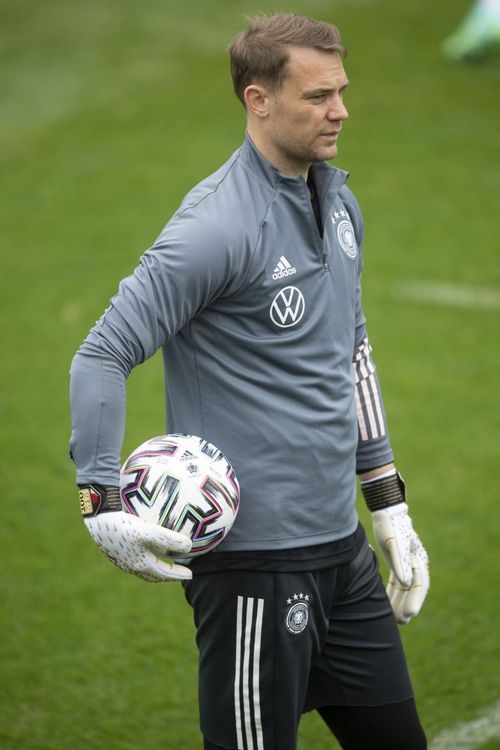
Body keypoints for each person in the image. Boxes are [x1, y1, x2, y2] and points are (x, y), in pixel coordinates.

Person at [70, 13, 430, 750]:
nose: (341, 111)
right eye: (318, 97)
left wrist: (387, 504)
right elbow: (102, 353)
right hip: (254, 569)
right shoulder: (215, 227)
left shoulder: (339, 203)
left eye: (342, 91)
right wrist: (100, 499)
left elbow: (351, 352)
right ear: (258, 101)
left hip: (342, 549)